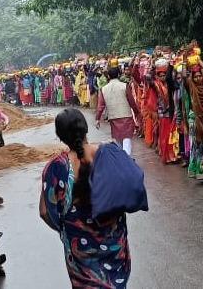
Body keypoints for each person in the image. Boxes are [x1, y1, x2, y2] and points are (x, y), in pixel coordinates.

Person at [39, 108, 131, 288]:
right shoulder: (110, 153)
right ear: (86, 129)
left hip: (80, 252)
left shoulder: (56, 168)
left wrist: (65, 229)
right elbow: (130, 189)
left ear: (60, 136)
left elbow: (44, 211)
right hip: (114, 244)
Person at [96, 66, 140, 156]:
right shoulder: (124, 86)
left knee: (117, 139)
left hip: (113, 117)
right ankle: (127, 158)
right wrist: (137, 113)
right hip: (126, 115)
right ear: (119, 75)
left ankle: (121, 158)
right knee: (127, 138)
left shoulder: (104, 89)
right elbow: (132, 101)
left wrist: (97, 119)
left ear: (108, 76)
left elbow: (100, 106)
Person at [185, 65, 203, 181]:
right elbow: (184, 77)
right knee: (197, 146)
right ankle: (198, 171)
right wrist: (184, 62)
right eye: (196, 77)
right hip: (196, 121)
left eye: (200, 76)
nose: (198, 78)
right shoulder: (192, 88)